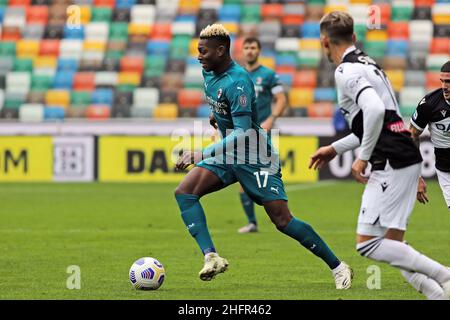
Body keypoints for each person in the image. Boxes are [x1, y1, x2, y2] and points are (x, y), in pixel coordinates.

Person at [174, 24, 353, 289]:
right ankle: (211, 256)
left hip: (256, 156)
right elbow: (222, 108)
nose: (198, 56)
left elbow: (244, 132)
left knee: (282, 220)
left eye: (203, 51)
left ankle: (338, 266)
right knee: (185, 192)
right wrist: (218, 117)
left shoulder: (239, 82)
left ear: (221, 50)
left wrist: (201, 152)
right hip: (228, 152)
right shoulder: (208, 72)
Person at [309, 11, 450, 300]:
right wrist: (335, 148)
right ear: (355, 37)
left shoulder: (345, 71)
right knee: (394, 245)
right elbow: (381, 118)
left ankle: (445, 276)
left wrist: (362, 156)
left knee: (368, 244)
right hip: (403, 154)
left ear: (324, 41)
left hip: (389, 160)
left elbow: (373, 111)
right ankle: (438, 295)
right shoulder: (369, 64)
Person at [236, 37, 287, 234]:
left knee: (264, 177)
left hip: (262, 133)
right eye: (246, 47)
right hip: (241, 134)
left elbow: (281, 100)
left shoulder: (268, 75)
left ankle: (281, 216)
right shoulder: (237, 75)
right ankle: (252, 223)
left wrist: (271, 119)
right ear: (242, 51)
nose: (249, 51)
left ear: (259, 50)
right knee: (243, 178)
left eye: (253, 47)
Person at [410, 61, 450, 209]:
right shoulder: (429, 104)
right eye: (443, 81)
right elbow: (412, 135)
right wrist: (416, 177)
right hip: (446, 170)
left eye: (449, 82)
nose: (445, 86)